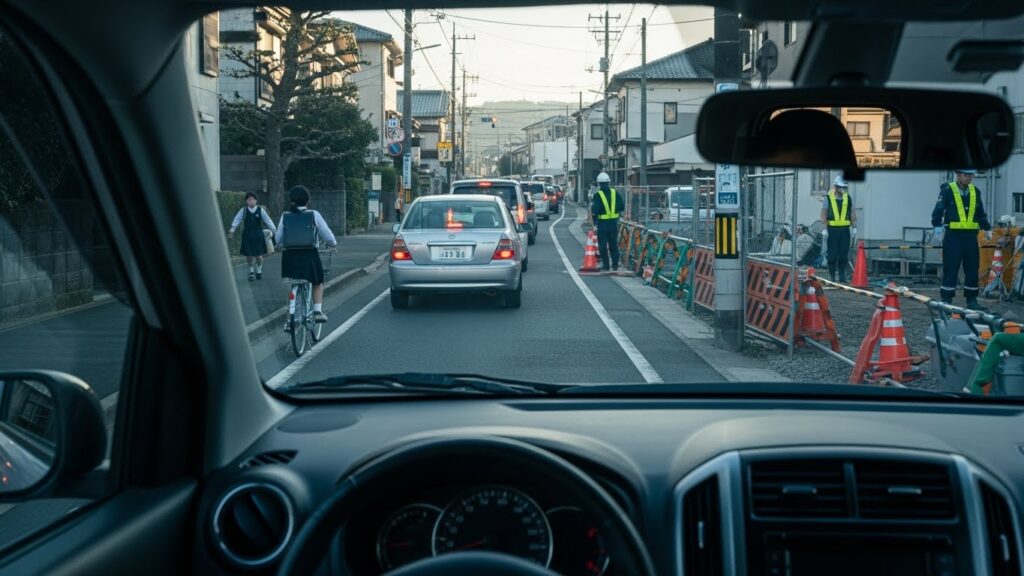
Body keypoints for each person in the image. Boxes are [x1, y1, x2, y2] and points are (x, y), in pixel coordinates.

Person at [275, 185, 338, 324]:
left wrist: (279, 245)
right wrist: (333, 244)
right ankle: (317, 310)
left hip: (289, 256)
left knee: (293, 283)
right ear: (307, 200)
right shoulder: (313, 214)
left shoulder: (285, 216)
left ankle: (290, 314)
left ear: (291, 201)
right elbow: (326, 234)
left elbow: (278, 238)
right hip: (309, 255)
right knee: (317, 281)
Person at [932, 169, 992, 308]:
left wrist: (987, 227)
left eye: (970, 175)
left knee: (972, 268)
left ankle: (972, 300)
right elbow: (939, 209)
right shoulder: (947, 190)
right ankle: (946, 299)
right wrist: (937, 226)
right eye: (965, 175)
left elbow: (980, 212)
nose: (968, 178)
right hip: (953, 237)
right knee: (951, 267)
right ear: (958, 175)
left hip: (971, 237)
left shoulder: (975, 191)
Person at [228, 191, 277, 281]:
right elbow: (237, 220)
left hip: (258, 235)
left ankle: (258, 269)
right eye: (249, 200)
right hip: (247, 235)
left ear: (256, 201)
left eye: (253, 199)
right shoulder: (243, 211)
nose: (251, 201)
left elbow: (268, 221)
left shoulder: (260, 210)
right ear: (246, 201)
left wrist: (275, 231)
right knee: (249, 255)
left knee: (259, 256)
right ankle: (251, 272)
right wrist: (232, 230)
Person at [820, 176, 857, 283]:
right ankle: (832, 276)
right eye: (841, 187)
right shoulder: (828, 198)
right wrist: (824, 228)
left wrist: (854, 227)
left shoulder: (848, 198)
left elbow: (852, 213)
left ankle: (842, 277)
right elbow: (824, 214)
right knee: (832, 256)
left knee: (843, 255)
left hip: (845, 231)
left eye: (845, 187)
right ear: (836, 186)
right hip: (832, 231)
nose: (844, 189)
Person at [590, 172, 624, 272]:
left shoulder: (597, 195)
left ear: (599, 183)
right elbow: (621, 206)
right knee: (614, 245)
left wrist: (595, 222)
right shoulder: (615, 193)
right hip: (613, 223)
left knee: (603, 245)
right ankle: (615, 265)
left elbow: (595, 210)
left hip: (602, 224)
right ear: (609, 182)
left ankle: (606, 265)